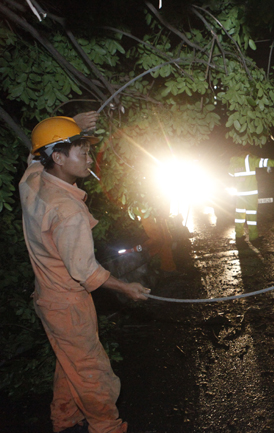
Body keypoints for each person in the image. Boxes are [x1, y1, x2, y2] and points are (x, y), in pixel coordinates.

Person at [19, 114, 150, 433]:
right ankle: (106, 426)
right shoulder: (69, 211)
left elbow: (34, 156)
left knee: (71, 363)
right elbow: (85, 272)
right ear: (59, 157)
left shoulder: (32, 181)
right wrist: (127, 287)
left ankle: (66, 420)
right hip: (68, 304)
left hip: (47, 298)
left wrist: (70, 125)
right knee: (93, 372)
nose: (88, 158)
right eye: (81, 151)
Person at [228, 146, 274, 243]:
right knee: (251, 214)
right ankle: (253, 236)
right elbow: (263, 162)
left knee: (239, 214)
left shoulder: (234, 160)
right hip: (251, 192)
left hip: (240, 193)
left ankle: (239, 235)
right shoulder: (249, 158)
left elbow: (230, 173)